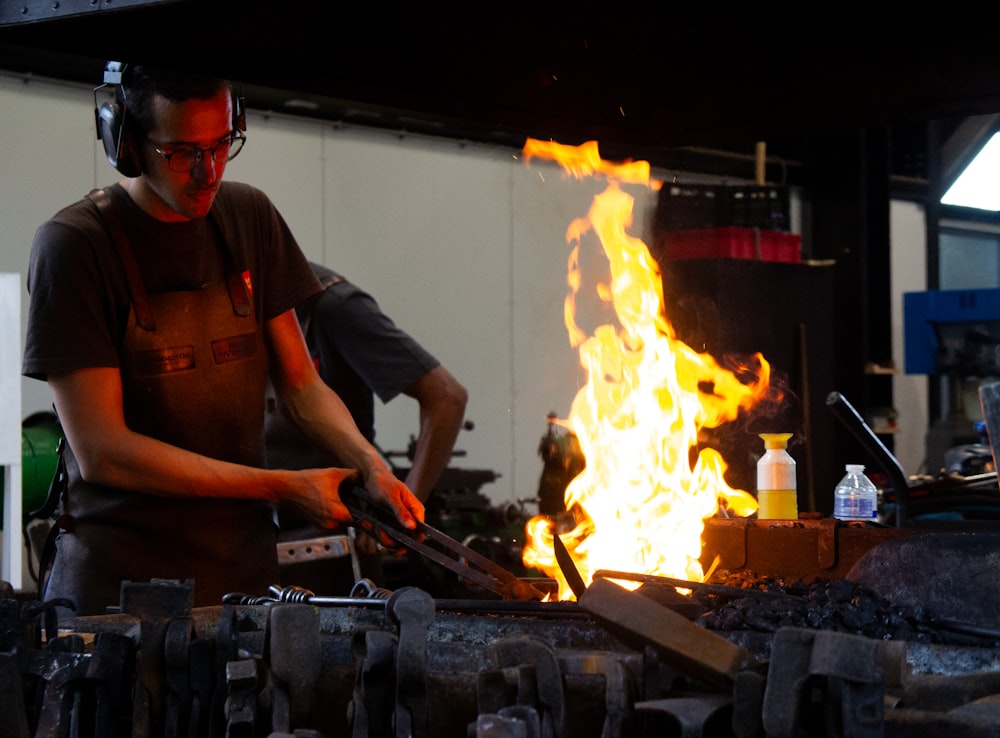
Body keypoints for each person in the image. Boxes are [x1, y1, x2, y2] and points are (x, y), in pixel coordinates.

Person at [21, 62, 423, 616]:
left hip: (243, 590)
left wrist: (369, 461)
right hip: (118, 602)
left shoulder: (248, 217)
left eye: (221, 145)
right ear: (128, 143)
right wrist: (281, 486)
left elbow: (303, 388)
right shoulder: (75, 248)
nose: (208, 172)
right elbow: (105, 453)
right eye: (183, 152)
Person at [265, 262, 468, 585]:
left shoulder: (335, 307)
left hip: (334, 557)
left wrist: (399, 519)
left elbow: (446, 397)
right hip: (261, 543)